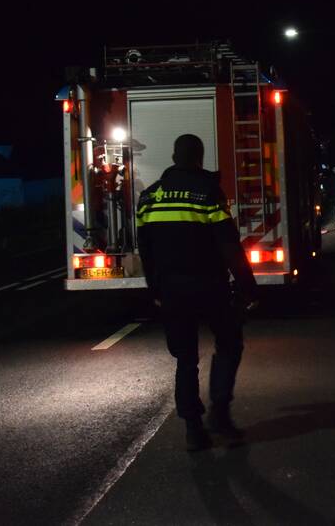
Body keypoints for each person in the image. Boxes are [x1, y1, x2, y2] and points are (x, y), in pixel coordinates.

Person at [136, 134, 257, 451]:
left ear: (174, 157)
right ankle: (219, 412)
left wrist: (155, 288)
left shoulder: (148, 198)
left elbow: (145, 250)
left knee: (185, 359)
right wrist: (248, 286)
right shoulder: (208, 194)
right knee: (229, 343)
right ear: (199, 158)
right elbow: (229, 246)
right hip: (210, 286)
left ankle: (193, 428)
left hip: (172, 290)